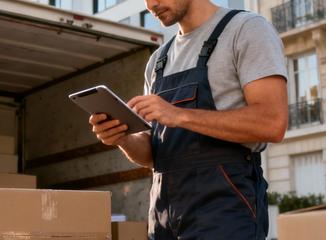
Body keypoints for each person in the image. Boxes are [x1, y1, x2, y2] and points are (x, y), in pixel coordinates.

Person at [87, 0, 288, 238]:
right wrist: (123, 138)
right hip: (163, 218)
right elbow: (154, 154)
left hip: (224, 213)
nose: (151, 4)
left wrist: (179, 115)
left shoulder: (246, 29)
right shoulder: (157, 60)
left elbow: (273, 122)